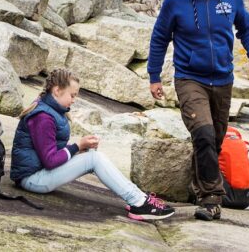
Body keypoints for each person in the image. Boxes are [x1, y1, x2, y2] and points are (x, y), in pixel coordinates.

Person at [146, 0, 249, 221]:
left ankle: (197, 185)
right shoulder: (176, 0)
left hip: (223, 79)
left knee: (215, 140)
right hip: (189, 77)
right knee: (203, 133)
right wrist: (154, 76)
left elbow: (246, 28)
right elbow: (159, 37)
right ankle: (211, 199)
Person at [10, 69, 175, 221]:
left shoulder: (50, 109)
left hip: (40, 174)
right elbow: (50, 160)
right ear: (57, 91)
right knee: (93, 159)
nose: (74, 100)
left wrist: (80, 149)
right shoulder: (43, 117)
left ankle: (138, 198)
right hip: (32, 179)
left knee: (92, 157)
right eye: (72, 95)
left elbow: (51, 153)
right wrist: (77, 146)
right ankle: (139, 203)